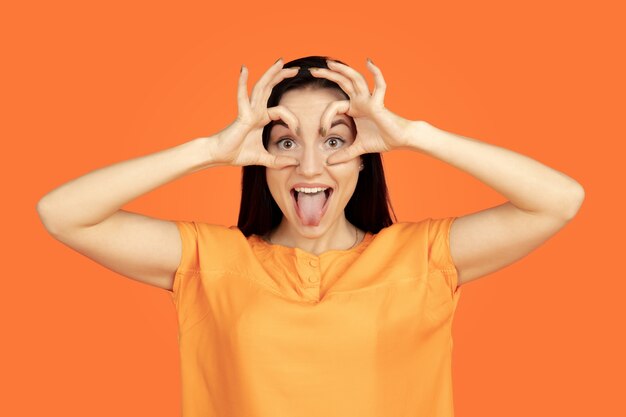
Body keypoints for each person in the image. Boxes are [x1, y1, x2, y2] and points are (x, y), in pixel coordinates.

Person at [36, 55, 585, 417]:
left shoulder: (423, 260)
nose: (309, 166)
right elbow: (62, 213)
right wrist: (209, 150)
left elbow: (559, 200)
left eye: (334, 140)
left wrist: (413, 135)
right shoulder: (211, 262)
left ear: (365, 157)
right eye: (285, 142)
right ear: (261, 156)